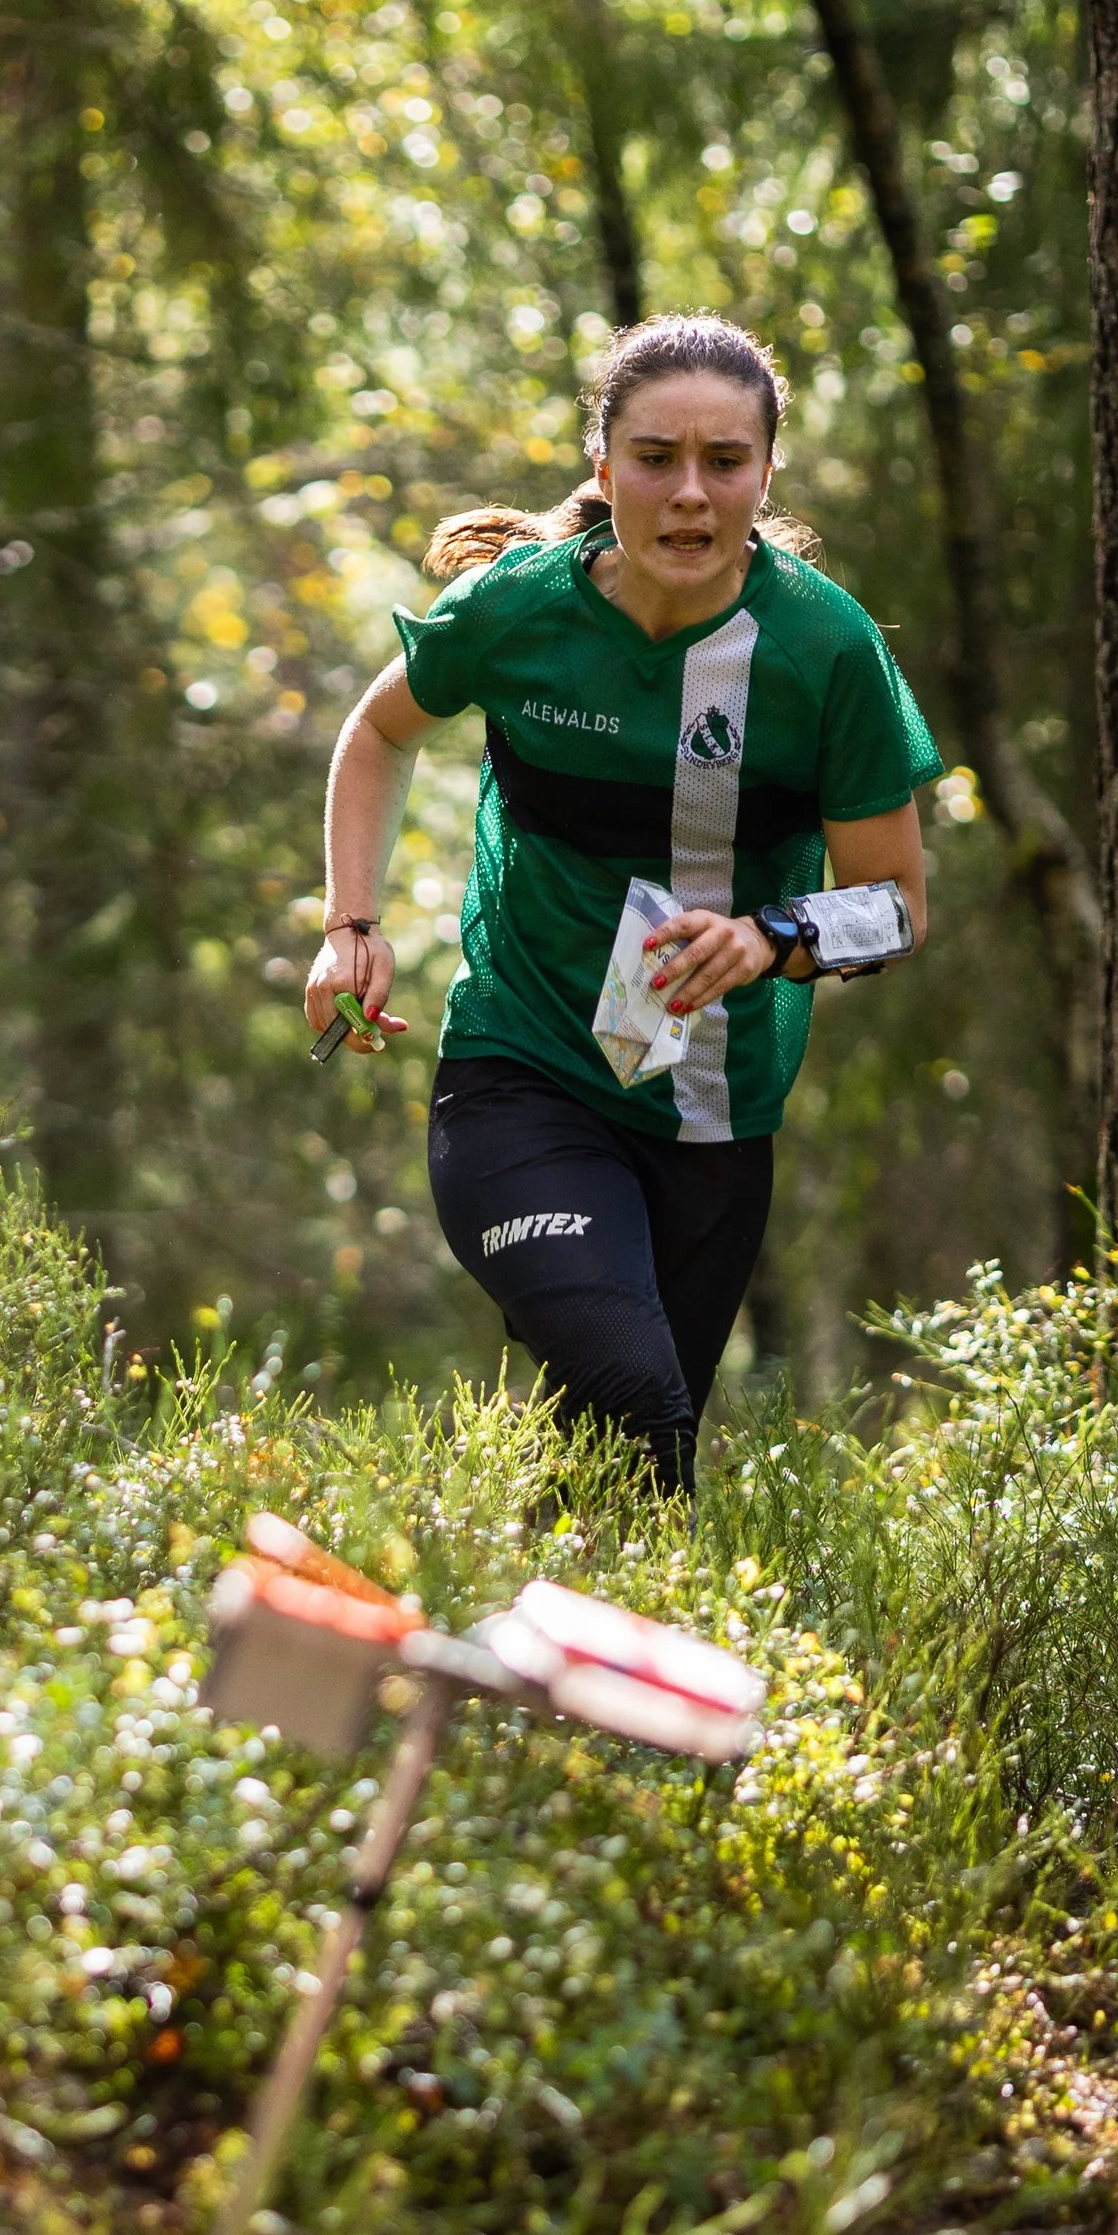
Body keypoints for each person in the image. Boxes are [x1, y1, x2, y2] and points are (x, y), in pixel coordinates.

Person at [304, 312, 939, 1494]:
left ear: (764, 473)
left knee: (625, 1480)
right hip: (524, 1069)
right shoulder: (519, 606)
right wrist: (351, 925)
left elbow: (896, 905)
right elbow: (379, 731)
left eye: (723, 461)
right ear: (603, 467)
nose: (689, 493)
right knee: (635, 1397)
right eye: (655, 458)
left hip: (714, 1108)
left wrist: (771, 937)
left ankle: (523, 1655)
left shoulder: (824, 650)